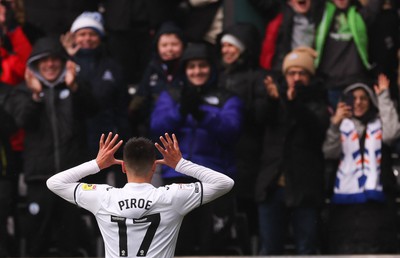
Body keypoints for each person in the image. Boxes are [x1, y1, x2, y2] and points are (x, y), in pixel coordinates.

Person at [46, 132, 234, 258]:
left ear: (123, 167)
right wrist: (181, 164)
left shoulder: (103, 197)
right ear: (154, 166)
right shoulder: (172, 197)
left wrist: (97, 164)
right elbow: (225, 183)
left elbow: (54, 183)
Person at [150, 42, 243, 255]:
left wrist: (203, 114)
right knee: (178, 245)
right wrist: (181, 111)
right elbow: (157, 126)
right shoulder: (171, 96)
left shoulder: (227, 98)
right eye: (191, 67)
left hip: (214, 180)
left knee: (212, 245)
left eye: (202, 66)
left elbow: (232, 130)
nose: (197, 71)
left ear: (211, 68)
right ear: (184, 70)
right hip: (176, 179)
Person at [8, 36, 97, 256]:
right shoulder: (23, 92)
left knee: (71, 240)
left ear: (63, 62)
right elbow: (22, 121)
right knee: (37, 239)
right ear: (35, 65)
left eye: (55, 60)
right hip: (40, 179)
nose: (49, 65)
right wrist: (36, 95)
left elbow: (94, 109)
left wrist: (73, 86)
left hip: (72, 179)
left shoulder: (75, 87)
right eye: (43, 60)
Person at [254, 46, 330, 255]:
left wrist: (294, 102)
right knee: (269, 249)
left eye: (301, 73)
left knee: (306, 249)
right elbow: (260, 120)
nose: (296, 77)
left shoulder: (318, 103)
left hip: (304, 188)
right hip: (272, 186)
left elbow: (316, 128)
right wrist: (272, 101)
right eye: (291, 73)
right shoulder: (275, 99)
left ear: (310, 76)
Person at [322, 73, 400, 254]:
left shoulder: (379, 124)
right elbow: (329, 152)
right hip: (345, 207)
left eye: (363, 98)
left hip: (377, 205)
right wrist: (335, 124)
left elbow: (392, 133)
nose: (358, 102)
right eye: (354, 98)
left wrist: (384, 97)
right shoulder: (340, 126)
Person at [61, 11, 131, 174]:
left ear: (100, 36)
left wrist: (124, 135)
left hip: (108, 139)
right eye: (82, 34)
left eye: (92, 34)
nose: (87, 39)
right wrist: (67, 56)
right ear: (74, 37)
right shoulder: (66, 63)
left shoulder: (112, 66)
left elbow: (122, 105)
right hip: (75, 139)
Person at [216, 22, 264, 254]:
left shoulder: (257, 77)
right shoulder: (218, 76)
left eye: (231, 46)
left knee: (247, 204)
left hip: (249, 152)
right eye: (223, 46)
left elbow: (260, 117)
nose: (226, 50)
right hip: (223, 152)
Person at [315, 0, 383, 108]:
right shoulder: (321, 13)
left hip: (355, 81)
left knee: (355, 122)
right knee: (337, 121)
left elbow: (375, 5)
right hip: (331, 83)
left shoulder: (360, 15)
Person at [129, 21, 186, 137]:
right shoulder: (152, 68)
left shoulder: (188, 68)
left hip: (181, 129)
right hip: (153, 129)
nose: (169, 49)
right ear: (157, 47)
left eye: (174, 44)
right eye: (164, 45)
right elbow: (140, 98)